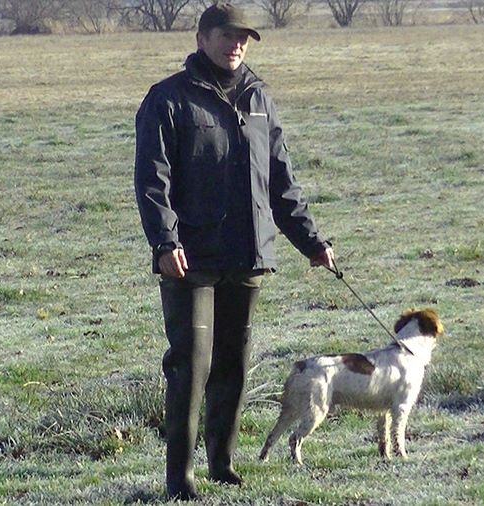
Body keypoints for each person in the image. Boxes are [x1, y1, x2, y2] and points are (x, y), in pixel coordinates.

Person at [134, 2, 335, 500]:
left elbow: (281, 181)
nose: (236, 44)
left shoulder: (259, 97)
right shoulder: (168, 99)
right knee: (191, 365)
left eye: (243, 37)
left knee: (234, 365)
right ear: (202, 39)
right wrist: (165, 242)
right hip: (191, 259)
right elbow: (152, 182)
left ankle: (222, 465)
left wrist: (311, 242)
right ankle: (180, 480)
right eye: (226, 35)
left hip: (247, 255)